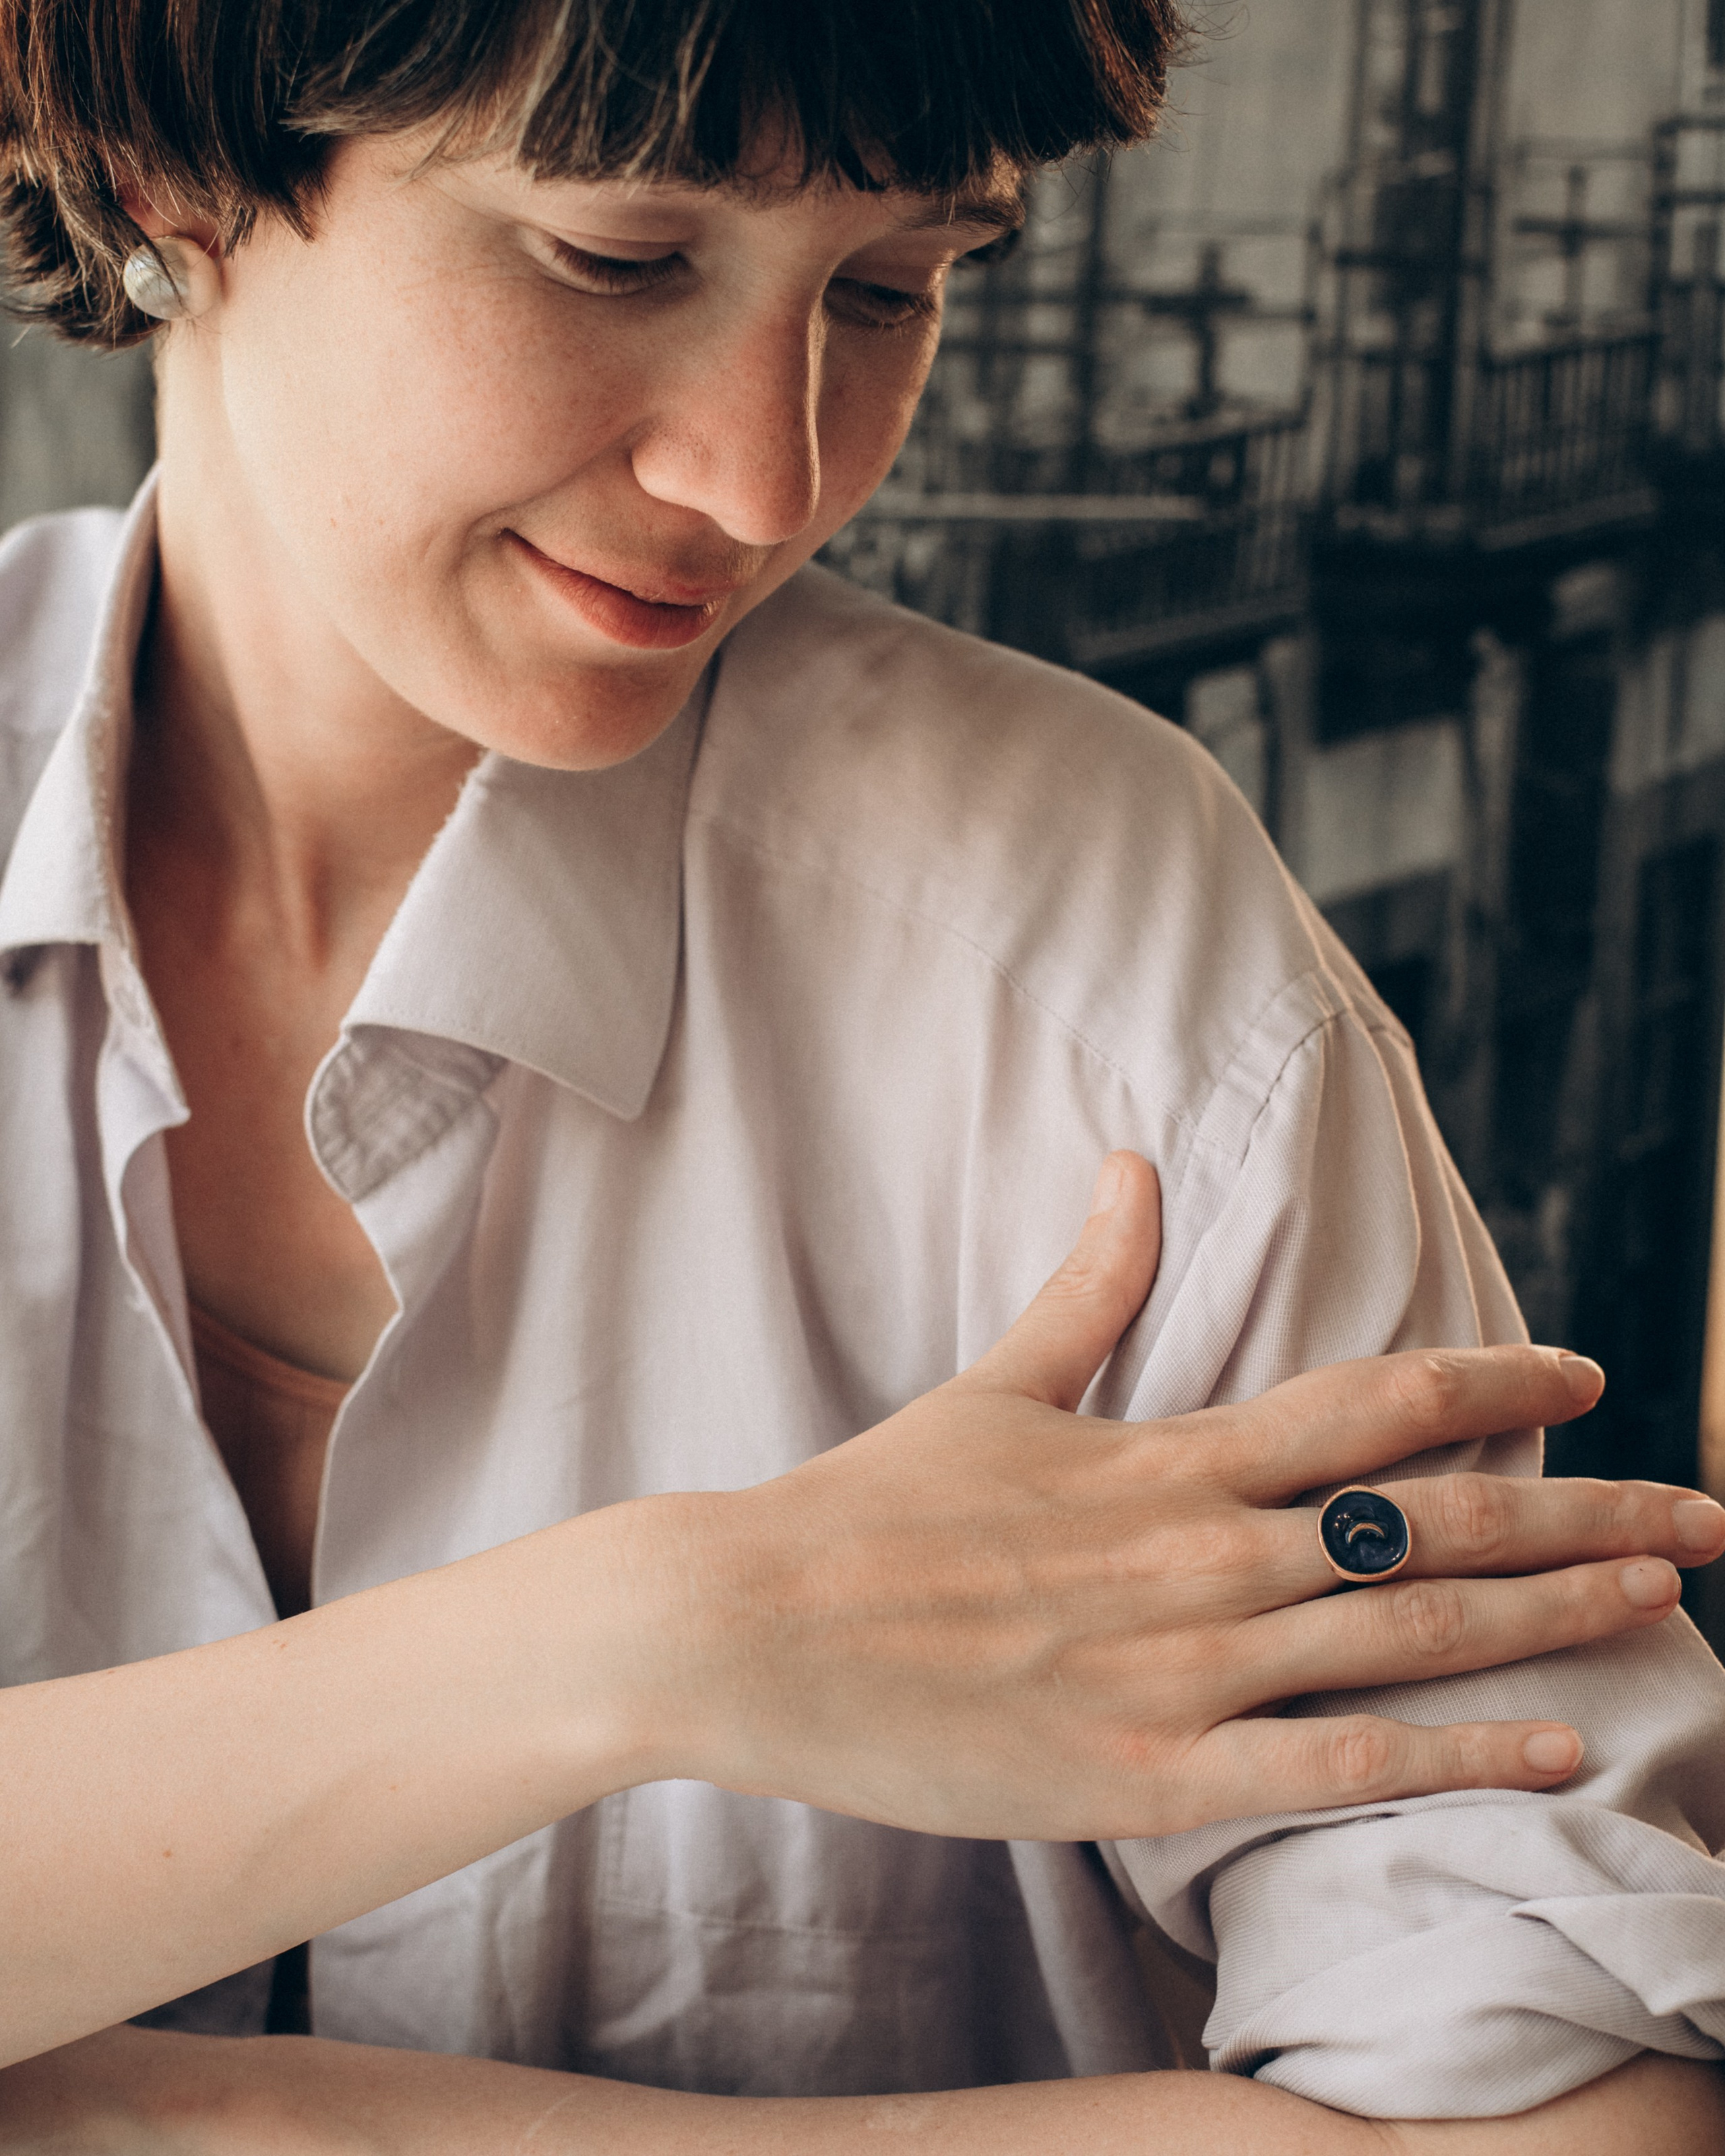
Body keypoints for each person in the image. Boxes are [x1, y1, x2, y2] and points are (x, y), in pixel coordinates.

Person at [0, 0, 1723, 2147]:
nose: (768, 476)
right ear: (172, 174)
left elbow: (1578, 2111)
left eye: (895, 288)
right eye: (616, 259)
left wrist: (200, 2123)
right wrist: (657, 1638)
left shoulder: (1093, 946)